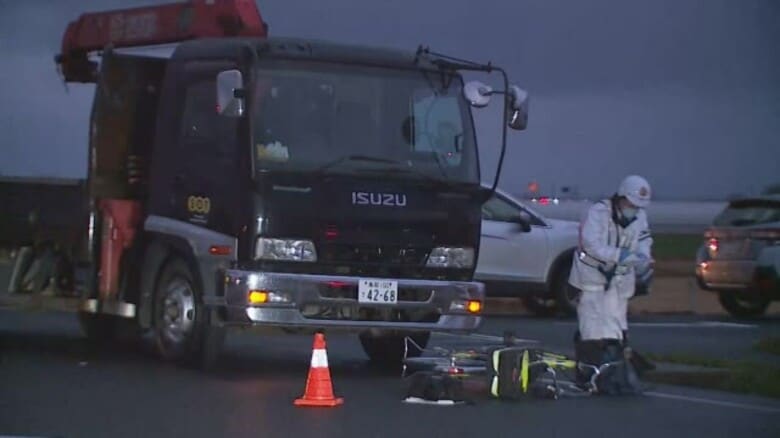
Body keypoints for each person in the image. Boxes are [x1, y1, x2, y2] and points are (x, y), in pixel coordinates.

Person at [568, 175, 654, 390]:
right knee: (591, 326)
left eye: (637, 206)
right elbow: (591, 244)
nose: (633, 209)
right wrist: (619, 255)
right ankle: (589, 375)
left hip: (620, 281)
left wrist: (643, 257)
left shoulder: (640, 216)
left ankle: (613, 375)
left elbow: (644, 239)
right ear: (621, 197)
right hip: (591, 278)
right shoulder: (598, 213)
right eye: (631, 205)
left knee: (615, 326)